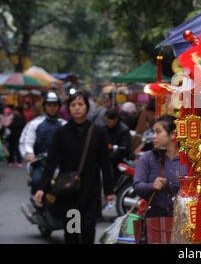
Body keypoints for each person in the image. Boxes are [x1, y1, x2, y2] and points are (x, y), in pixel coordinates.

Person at [34, 90, 114, 244]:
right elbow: (52, 162)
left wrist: (109, 191)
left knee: (88, 230)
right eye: (73, 105)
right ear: (68, 108)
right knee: (71, 233)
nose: (77, 108)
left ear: (87, 107)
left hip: (91, 191)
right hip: (69, 192)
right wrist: (41, 188)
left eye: (80, 104)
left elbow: (105, 163)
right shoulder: (61, 133)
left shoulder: (98, 132)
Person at [133, 115, 187, 217]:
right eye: (153, 132)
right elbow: (137, 186)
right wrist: (151, 185)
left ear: (172, 135)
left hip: (183, 220)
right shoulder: (148, 158)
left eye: (158, 132)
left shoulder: (188, 159)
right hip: (155, 220)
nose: (154, 136)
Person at [19, 91, 67, 193]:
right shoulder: (35, 124)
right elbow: (26, 141)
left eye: (55, 105)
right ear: (45, 106)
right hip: (41, 163)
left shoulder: (65, 125)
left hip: (61, 165)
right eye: (49, 105)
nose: (52, 108)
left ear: (59, 106)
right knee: (36, 181)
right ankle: (38, 205)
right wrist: (29, 153)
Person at [104, 108, 133, 185]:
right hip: (111, 158)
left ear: (115, 119)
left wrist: (109, 156)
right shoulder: (106, 128)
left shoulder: (124, 130)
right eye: (105, 121)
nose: (107, 123)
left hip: (122, 159)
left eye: (109, 121)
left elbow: (124, 148)